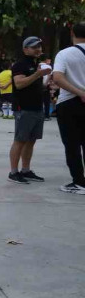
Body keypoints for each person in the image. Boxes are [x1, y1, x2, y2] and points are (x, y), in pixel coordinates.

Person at [7, 36, 52, 184]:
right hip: (24, 108)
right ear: (25, 49)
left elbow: (35, 86)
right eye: (34, 47)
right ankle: (13, 172)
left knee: (31, 141)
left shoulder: (37, 64)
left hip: (37, 108)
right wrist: (38, 74)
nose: (38, 49)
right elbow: (19, 84)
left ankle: (25, 170)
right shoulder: (20, 65)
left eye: (39, 46)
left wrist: (47, 80)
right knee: (20, 140)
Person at [50, 21, 85, 194]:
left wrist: (79, 92)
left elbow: (57, 78)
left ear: (72, 33)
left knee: (72, 144)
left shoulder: (64, 54)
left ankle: (79, 181)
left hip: (69, 102)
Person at [38, 55, 53, 121]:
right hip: (46, 85)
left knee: (39, 100)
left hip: (38, 85)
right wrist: (46, 83)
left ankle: (39, 115)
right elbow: (49, 76)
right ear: (46, 60)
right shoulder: (48, 66)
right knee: (46, 101)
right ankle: (46, 116)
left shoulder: (37, 66)